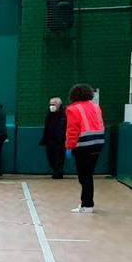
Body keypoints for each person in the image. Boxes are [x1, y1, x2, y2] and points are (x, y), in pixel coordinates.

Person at [65, 84, 106, 213]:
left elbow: (72, 130)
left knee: (84, 176)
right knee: (88, 175)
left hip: (83, 146)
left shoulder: (73, 109)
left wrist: (69, 147)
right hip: (98, 144)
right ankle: (86, 203)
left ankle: (87, 205)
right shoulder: (96, 107)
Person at [42, 97, 68, 179]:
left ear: (58, 104)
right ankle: (55, 171)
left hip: (60, 140)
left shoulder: (64, 114)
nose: (51, 106)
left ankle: (59, 172)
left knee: (59, 157)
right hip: (50, 140)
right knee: (50, 157)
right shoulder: (49, 114)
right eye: (50, 104)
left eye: (53, 104)